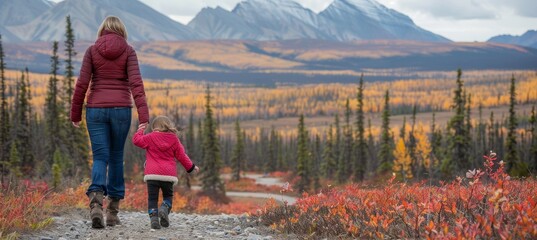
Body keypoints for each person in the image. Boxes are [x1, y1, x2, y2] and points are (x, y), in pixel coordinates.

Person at [70, 16, 149, 229]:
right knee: (115, 158)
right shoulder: (129, 51)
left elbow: (82, 84)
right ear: (121, 31)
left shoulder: (92, 51)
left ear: (102, 31)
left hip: (96, 110)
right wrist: (144, 117)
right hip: (121, 111)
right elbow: (136, 84)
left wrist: (75, 114)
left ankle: (95, 204)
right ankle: (113, 212)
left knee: (100, 157)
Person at [133, 116, 199, 229]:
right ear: (168, 126)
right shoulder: (174, 139)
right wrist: (191, 167)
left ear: (154, 128)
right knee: (168, 196)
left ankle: (154, 219)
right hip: (168, 175)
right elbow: (182, 156)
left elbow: (136, 140)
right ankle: (164, 208)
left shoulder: (150, 137)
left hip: (152, 175)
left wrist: (140, 130)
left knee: (152, 198)